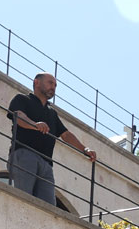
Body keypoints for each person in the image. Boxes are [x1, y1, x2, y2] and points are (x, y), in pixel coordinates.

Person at [6, 73, 97, 204]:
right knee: (23, 200)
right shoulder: (22, 99)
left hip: (46, 164)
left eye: (55, 85)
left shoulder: (51, 113)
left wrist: (85, 149)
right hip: (25, 154)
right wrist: (35, 125)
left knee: (49, 208)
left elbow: (66, 135)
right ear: (37, 82)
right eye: (50, 83)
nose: (53, 87)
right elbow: (18, 116)